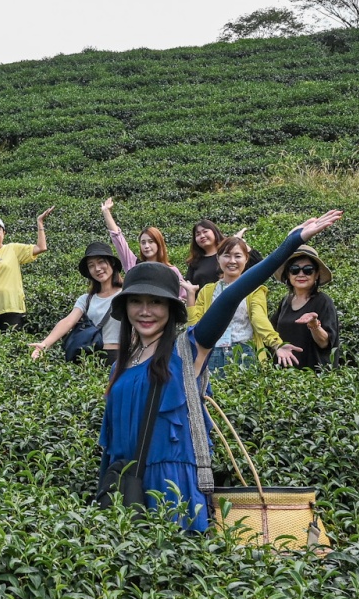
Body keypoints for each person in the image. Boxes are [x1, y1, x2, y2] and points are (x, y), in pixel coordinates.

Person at [99, 210, 344, 531]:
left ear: (171, 309)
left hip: (172, 482)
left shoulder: (188, 348)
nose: (145, 311)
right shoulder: (122, 362)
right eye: (136, 302)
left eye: (156, 302)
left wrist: (291, 243)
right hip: (124, 482)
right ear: (126, 307)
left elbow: (234, 295)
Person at [187, 234, 287, 372]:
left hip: (244, 352)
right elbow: (195, 326)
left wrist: (276, 344)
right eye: (226, 255)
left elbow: (259, 319)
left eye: (238, 256)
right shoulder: (208, 291)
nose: (232, 261)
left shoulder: (254, 290)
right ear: (218, 258)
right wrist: (190, 296)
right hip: (211, 354)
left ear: (246, 259)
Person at [29, 242, 124, 363]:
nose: (97, 269)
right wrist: (45, 344)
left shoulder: (126, 294)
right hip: (92, 356)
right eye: (91, 265)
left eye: (101, 262)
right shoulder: (86, 299)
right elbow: (68, 321)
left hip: (119, 356)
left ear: (112, 263)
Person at [0, 209, 53, 333]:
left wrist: (40, 223)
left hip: (12, 308)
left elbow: (41, 247)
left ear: (4, 233)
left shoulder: (13, 249)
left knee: (12, 346)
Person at [100, 197, 195, 301]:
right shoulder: (134, 266)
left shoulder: (172, 271)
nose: (146, 246)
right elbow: (118, 239)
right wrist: (106, 212)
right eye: (143, 242)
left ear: (159, 244)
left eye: (151, 242)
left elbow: (182, 297)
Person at [271, 244, 339, 370]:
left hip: (311, 377)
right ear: (288, 274)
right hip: (283, 375)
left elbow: (325, 343)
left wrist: (314, 325)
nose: (301, 274)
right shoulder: (285, 302)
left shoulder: (323, 302)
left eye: (308, 270)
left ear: (317, 274)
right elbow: (271, 332)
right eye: (294, 270)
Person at [186, 218, 225, 289]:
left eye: (205, 231)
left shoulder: (226, 255)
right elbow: (189, 286)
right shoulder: (194, 262)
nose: (202, 236)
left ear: (214, 232)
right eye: (198, 234)